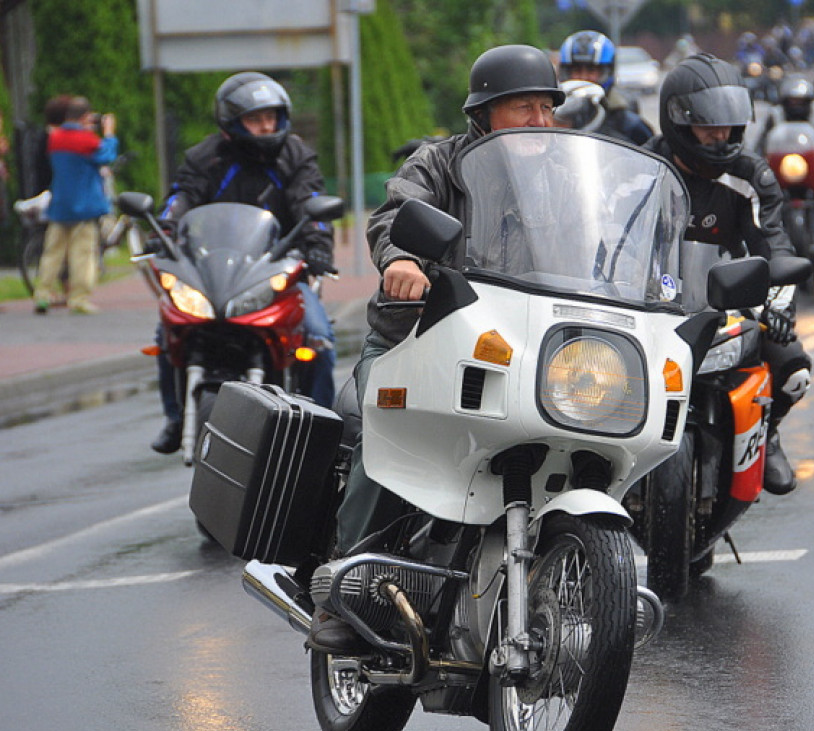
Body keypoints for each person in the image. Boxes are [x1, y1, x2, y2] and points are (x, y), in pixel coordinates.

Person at [308, 44, 565, 653]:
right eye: (523, 108)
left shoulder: (563, 179)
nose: (540, 120)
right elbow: (394, 214)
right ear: (484, 113)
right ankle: (344, 590)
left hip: (520, 346)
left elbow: (605, 244)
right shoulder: (440, 163)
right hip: (418, 338)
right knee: (388, 432)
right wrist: (401, 259)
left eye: (547, 108)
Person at [647, 53, 812, 498]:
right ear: (679, 122)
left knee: (794, 371)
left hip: (727, 300)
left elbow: (773, 244)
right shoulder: (645, 169)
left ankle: (767, 431)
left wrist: (777, 305)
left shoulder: (750, 176)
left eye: (727, 125)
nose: (720, 136)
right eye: (708, 127)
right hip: (650, 301)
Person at [149, 72, 338, 454]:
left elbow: (312, 203)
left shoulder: (296, 158)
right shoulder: (205, 158)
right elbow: (181, 198)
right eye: (256, 119)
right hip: (214, 270)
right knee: (166, 333)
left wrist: (318, 246)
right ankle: (174, 417)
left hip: (278, 267)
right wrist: (163, 230)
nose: (267, 126)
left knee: (318, 338)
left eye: (272, 117)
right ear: (231, 122)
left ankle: (327, 430)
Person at [32, 96, 117, 315]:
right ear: (85, 117)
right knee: (83, 254)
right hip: (84, 206)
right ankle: (78, 298)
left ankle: (42, 294)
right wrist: (108, 134)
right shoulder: (86, 139)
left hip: (60, 205)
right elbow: (106, 156)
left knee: (52, 252)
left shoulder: (55, 138)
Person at [558, 30, 654, 145]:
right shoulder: (553, 116)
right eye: (576, 70)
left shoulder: (628, 123)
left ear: (608, 71)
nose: (583, 77)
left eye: (591, 70)